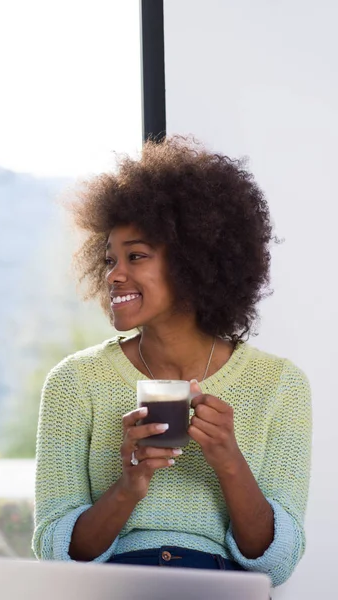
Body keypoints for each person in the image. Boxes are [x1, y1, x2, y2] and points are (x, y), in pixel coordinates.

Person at [32, 136, 312, 588]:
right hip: (114, 589)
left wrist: (228, 459)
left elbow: (276, 565)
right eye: (109, 259)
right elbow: (55, 552)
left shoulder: (280, 384)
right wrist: (130, 484)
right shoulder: (76, 381)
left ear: (193, 263)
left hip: (220, 588)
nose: (114, 274)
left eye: (136, 256)